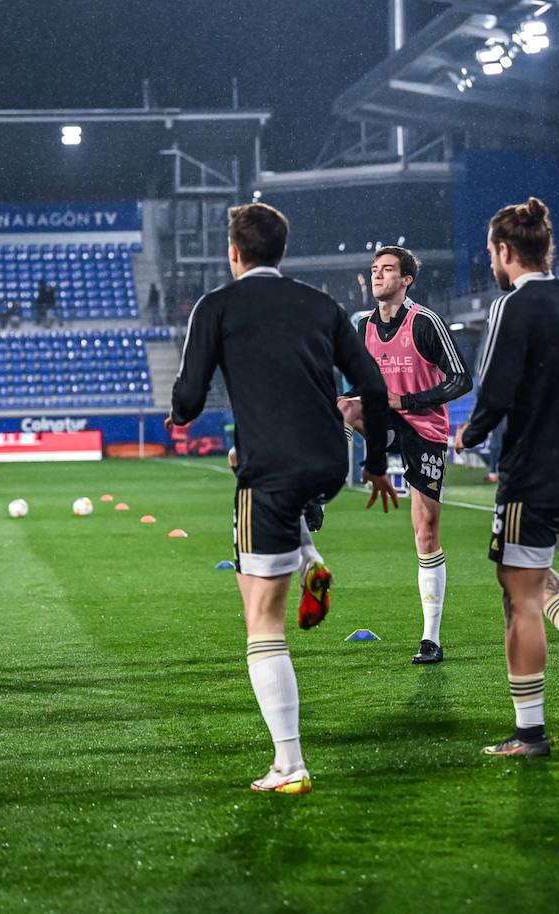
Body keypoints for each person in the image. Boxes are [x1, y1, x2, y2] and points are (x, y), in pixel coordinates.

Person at [168, 201, 395, 795]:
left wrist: (179, 409)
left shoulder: (216, 305)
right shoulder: (320, 305)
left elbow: (190, 398)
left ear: (234, 253)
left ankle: (289, 763)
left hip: (268, 468)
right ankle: (312, 558)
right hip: (328, 460)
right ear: (282, 252)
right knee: (283, 501)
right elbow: (371, 384)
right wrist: (373, 465)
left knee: (261, 621)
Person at [455, 196, 559, 757]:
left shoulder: (509, 308)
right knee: (533, 571)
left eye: (491, 255)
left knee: (516, 596)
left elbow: (493, 391)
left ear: (504, 251)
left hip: (533, 471)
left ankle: (529, 734)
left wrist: (468, 436)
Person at [338, 246, 472, 665]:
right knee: (342, 406)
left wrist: (409, 399)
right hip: (387, 420)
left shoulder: (425, 322)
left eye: (387, 270)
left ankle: (430, 638)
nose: (377, 276)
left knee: (426, 531)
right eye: (374, 270)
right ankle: (317, 495)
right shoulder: (363, 328)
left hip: (425, 429)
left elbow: (461, 379)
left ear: (406, 280)